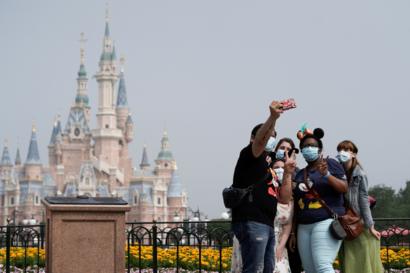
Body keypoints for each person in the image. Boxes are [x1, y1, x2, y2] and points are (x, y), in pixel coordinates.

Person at [231, 100, 295, 273]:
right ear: (254, 138)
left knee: (267, 269)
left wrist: (288, 173)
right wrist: (273, 117)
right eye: (268, 135)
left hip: (266, 224)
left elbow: (284, 198)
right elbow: (260, 141)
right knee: (254, 269)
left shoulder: (270, 167)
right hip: (252, 221)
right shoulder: (250, 155)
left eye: (274, 136)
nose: (270, 139)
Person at [293, 128, 348, 273]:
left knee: (323, 265)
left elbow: (344, 188)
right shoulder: (300, 174)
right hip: (304, 226)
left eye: (312, 146)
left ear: (320, 149)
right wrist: (293, 232)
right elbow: (294, 205)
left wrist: (327, 175)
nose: (308, 148)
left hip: (325, 221)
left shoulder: (330, 163)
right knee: (310, 269)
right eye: (304, 146)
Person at [231, 158, 294, 273]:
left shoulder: (287, 194)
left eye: (282, 167)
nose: (280, 170)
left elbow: (288, 223)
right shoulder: (260, 187)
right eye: (276, 168)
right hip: (255, 233)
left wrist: (280, 246)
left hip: (276, 240)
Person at [336, 140, 384, 273]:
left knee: (362, 256)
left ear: (354, 154)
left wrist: (370, 226)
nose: (342, 153)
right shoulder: (336, 171)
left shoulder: (359, 174)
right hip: (342, 220)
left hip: (356, 220)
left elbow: (364, 200)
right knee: (347, 257)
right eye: (340, 150)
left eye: (346, 150)